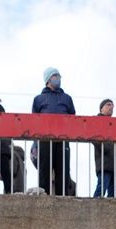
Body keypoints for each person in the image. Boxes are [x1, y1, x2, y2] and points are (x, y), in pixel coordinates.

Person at [33, 67, 77, 196]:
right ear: (48, 79)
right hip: (45, 140)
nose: (58, 78)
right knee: (44, 171)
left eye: (59, 76)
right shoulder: (38, 99)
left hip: (63, 140)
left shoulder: (67, 98)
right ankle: (43, 198)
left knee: (63, 171)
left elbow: (73, 118)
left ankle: (62, 198)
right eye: (55, 75)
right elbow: (34, 120)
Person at [92, 99, 116, 198]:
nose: (111, 107)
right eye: (108, 105)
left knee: (113, 196)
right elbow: (94, 138)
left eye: (112, 106)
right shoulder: (96, 121)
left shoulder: (114, 124)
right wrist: (107, 148)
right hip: (105, 162)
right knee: (101, 190)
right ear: (101, 108)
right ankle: (94, 210)